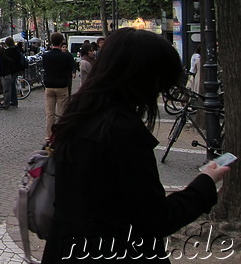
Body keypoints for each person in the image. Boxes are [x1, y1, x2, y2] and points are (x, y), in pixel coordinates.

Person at [42, 28, 231, 262]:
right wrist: (204, 184)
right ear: (143, 77)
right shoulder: (121, 131)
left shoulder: (78, 116)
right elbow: (155, 218)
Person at [41, 32, 76, 140]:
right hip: (62, 86)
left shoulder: (45, 56)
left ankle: (49, 135)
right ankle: (60, 134)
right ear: (61, 42)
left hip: (49, 86)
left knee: (50, 113)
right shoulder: (65, 57)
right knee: (61, 112)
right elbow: (69, 70)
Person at [0, 37, 23, 109]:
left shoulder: (8, 52)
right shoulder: (17, 50)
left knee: (8, 88)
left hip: (10, 71)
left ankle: (9, 102)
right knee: (12, 86)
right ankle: (14, 101)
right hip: (16, 70)